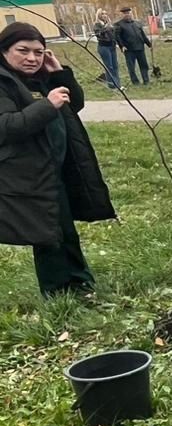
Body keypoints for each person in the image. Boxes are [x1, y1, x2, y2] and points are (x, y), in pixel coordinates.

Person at [0, 22, 115, 297]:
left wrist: (59, 74)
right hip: (26, 173)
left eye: (38, 52)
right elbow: (5, 127)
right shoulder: (3, 81)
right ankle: (57, 294)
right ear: (4, 51)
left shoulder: (37, 78)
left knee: (65, 231)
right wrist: (46, 105)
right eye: (23, 51)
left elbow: (73, 104)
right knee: (47, 236)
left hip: (56, 167)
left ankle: (81, 285)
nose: (32, 58)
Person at [114, 7, 151, 86]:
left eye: (129, 13)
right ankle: (135, 82)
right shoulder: (119, 24)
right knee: (131, 67)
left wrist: (149, 44)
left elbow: (143, 35)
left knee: (144, 65)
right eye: (125, 13)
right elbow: (117, 37)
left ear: (131, 13)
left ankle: (146, 80)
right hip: (129, 49)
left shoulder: (137, 23)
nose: (127, 15)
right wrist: (122, 46)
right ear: (122, 15)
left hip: (140, 48)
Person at [92, 10, 120, 88]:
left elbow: (113, 35)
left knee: (115, 66)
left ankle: (117, 84)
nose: (105, 15)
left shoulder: (109, 24)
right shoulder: (97, 25)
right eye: (102, 14)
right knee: (109, 66)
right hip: (104, 47)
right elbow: (99, 34)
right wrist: (106, 27)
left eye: (105, 13)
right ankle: (111, 85)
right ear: (99, 15)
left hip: (112, 46)